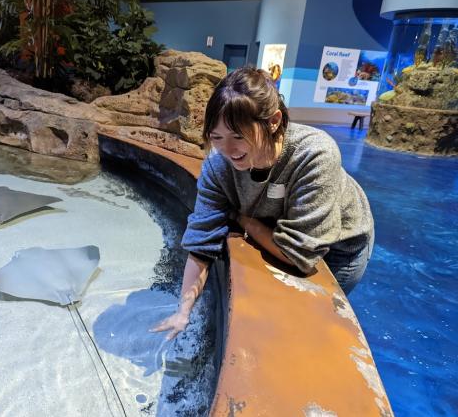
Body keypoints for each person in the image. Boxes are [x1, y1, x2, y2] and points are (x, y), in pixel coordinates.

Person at [151, 67, 374, 341]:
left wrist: (244, 221)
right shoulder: (217, 165)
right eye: (217, 137)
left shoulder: (315, 154)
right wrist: (182, 311)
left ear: (272, 121)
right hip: (282, 226)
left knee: (311, 319)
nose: (227, 150)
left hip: (341, 245)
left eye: (238, 136)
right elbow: (201, 241)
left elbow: (300, 255)